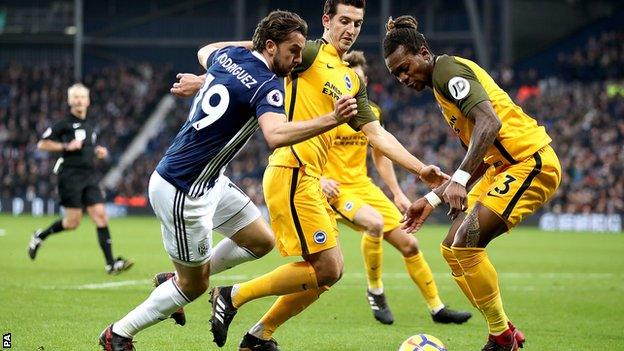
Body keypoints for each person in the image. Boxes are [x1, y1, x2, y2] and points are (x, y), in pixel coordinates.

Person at [98, 10, 360, 351]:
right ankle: (118, 334)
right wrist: (331, 118)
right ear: (269, 46)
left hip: (210, 181)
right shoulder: (269, 85)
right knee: (194, 287)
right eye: (293, 50)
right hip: (184, 189)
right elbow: (276, 135)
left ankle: (174, 280)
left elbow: (204, 50)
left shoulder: (229, 56)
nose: (299, 59)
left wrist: (209, 76)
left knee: (261, 241)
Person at [208, 1, 449, 350]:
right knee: (328, 269)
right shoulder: (307, 53)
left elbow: (377, 135)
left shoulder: (351, 79)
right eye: (344, 21)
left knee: (323, 277)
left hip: (312, 180)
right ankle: (231, 296)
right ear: (326, 20)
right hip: (292, 170)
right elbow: (261, 56)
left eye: (358, 23)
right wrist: (209, 73)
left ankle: (259, 336)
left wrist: (420, 168)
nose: (351, 29)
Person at [383, 16, 561, 351]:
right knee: (451, 248)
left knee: (466, 243)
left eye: (405, 68)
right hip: (500, 167)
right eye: (397, 75)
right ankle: (503, 332)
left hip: (529, 162)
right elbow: (477, 155)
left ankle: (501, 337)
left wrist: (459, 180)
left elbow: (490, 122)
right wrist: (433, 199)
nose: (404, 78)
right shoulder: (439, 87)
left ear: (423, 52)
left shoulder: (446, 71)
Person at [320, 50, 471, 325]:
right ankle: (375, 291)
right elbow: (305, 147)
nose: (354, 84)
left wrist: (398, 193)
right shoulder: (328, 110)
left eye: (359, 79)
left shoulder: (372, 113)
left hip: (364, 187)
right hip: (336, 190)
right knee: (374, 224)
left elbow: (380, 155)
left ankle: (437, 309)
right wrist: (319, 179)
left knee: (410, 245)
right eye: (349, 78)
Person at [28, 83, 133, 275]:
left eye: (82, 97)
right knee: (72, 222)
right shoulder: (63, 124)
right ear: (69, 101)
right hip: (70, 176)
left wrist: (98, 152)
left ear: (88, 101)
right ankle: (40, 236)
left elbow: (88, 149)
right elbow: (42, 144)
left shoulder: (91, 125)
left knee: (100, 216)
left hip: (89, 176)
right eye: (75, 97)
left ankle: (111, 264)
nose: (78, 100)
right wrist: (66, 146)